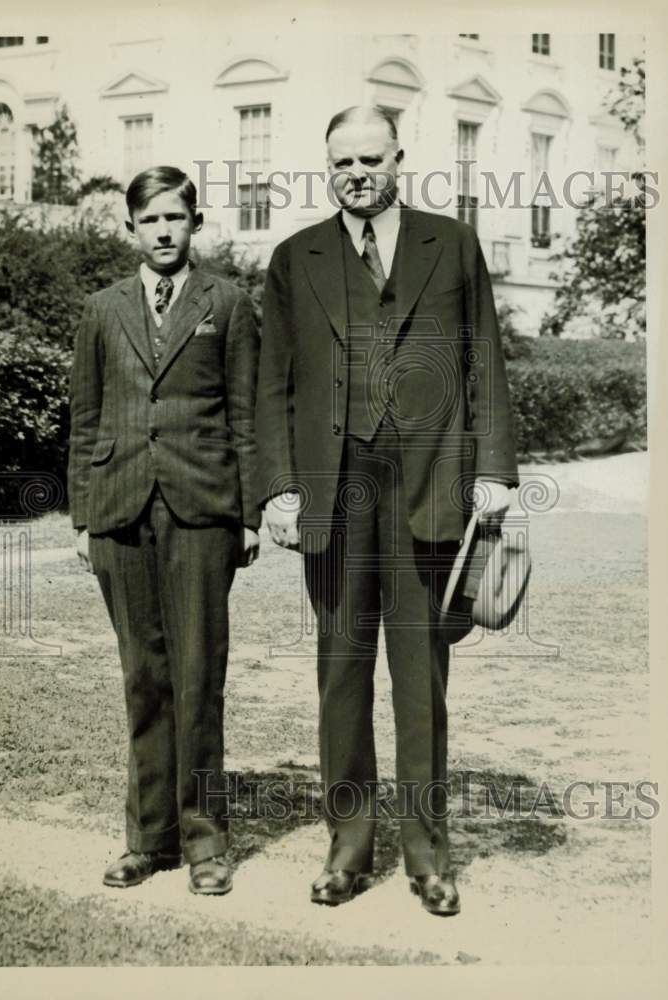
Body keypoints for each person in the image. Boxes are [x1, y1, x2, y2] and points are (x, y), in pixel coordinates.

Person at [255, 106, 518, 915]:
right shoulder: (294, 257)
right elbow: (272, 382)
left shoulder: (453, 244)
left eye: (371, 158)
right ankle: (348, 848)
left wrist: (496, 469)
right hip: (333, 494)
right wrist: (276, 488)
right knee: (340, 676)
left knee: (420, 682)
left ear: (400, 157)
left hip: (429, 490)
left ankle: (428, 856)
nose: (357, 173)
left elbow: (484, 365)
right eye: (342, 162)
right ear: (325, 165)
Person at [68, 165, 260, 895]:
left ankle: (205, 842)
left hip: (203, 508)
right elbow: (85, 417)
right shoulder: (101, 309)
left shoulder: (231, 304)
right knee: (143, 676)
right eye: (149, 221)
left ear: (195, 223)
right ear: (130, 230)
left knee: (199, 675)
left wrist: (246, 512)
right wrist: (84, 515)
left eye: (175, 218)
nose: (163, 232)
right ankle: (148, 840)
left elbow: (244, 413)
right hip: (119, 507)